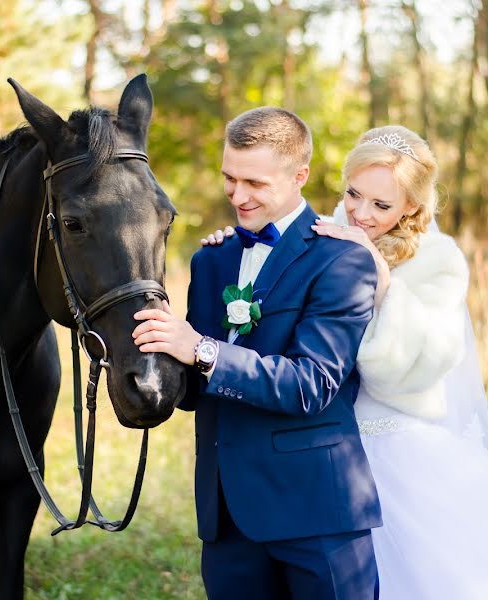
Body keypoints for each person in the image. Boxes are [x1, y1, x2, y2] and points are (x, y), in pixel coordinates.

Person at [203, 125, 488, 599]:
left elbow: (412, 368)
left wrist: (382, 282)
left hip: (393, 446)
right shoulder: (321, 238)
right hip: (314, 443)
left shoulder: (438, 261)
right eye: (353, 194)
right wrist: (237, 244)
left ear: (411, 208)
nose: (360, 213)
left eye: (381, 205)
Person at [132, 107, 382, 599]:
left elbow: (312, 385)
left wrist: (201, 348)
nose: (238, 196)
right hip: (228, 521)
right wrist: (145, 354)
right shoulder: (211, 259)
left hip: (316, 514)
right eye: (229, 178)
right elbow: (195, 389)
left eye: (255, 183)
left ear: (299, 176)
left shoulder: (343, 259)